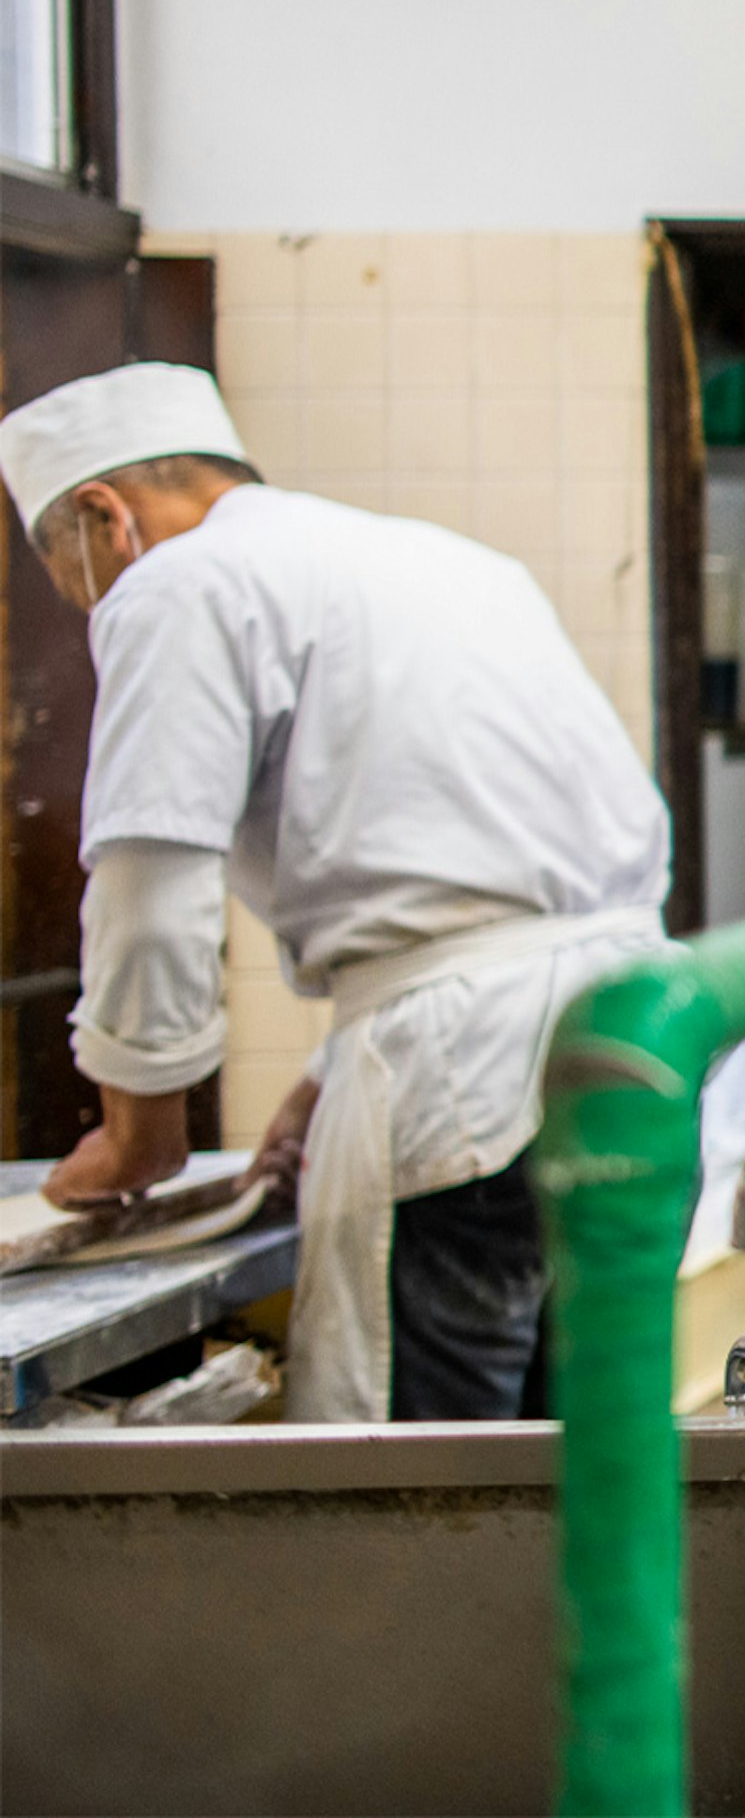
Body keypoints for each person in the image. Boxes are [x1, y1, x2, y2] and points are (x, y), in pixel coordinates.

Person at [2, 362, 671, 1422]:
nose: (93, 602)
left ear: (103, 516)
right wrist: (328, 1074)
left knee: (426, 1476)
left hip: (462, 1085)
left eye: (73, 578)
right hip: (626, 1040)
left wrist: (141, 1126)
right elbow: (477, 889)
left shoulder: (179, 581)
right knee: (566, 1452)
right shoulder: (446, 562)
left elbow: (150, 872)